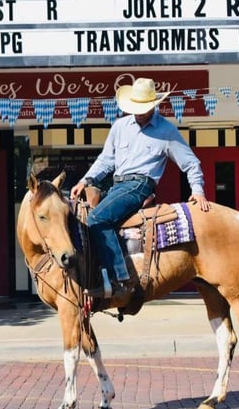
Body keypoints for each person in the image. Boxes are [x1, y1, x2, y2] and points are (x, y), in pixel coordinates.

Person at [70, 77, 210, 297]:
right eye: (135, 107)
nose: (138, 112)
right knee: (85, 217)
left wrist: (198, 190)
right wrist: (85, 180)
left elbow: (191, 162)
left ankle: (120, 279)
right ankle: (99, 275)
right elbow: (106, 160)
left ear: (154, 105)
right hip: (118, 185)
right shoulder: (119, 127)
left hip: (140, 185)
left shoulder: (166, 131)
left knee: (97, 218)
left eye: (143, 108)